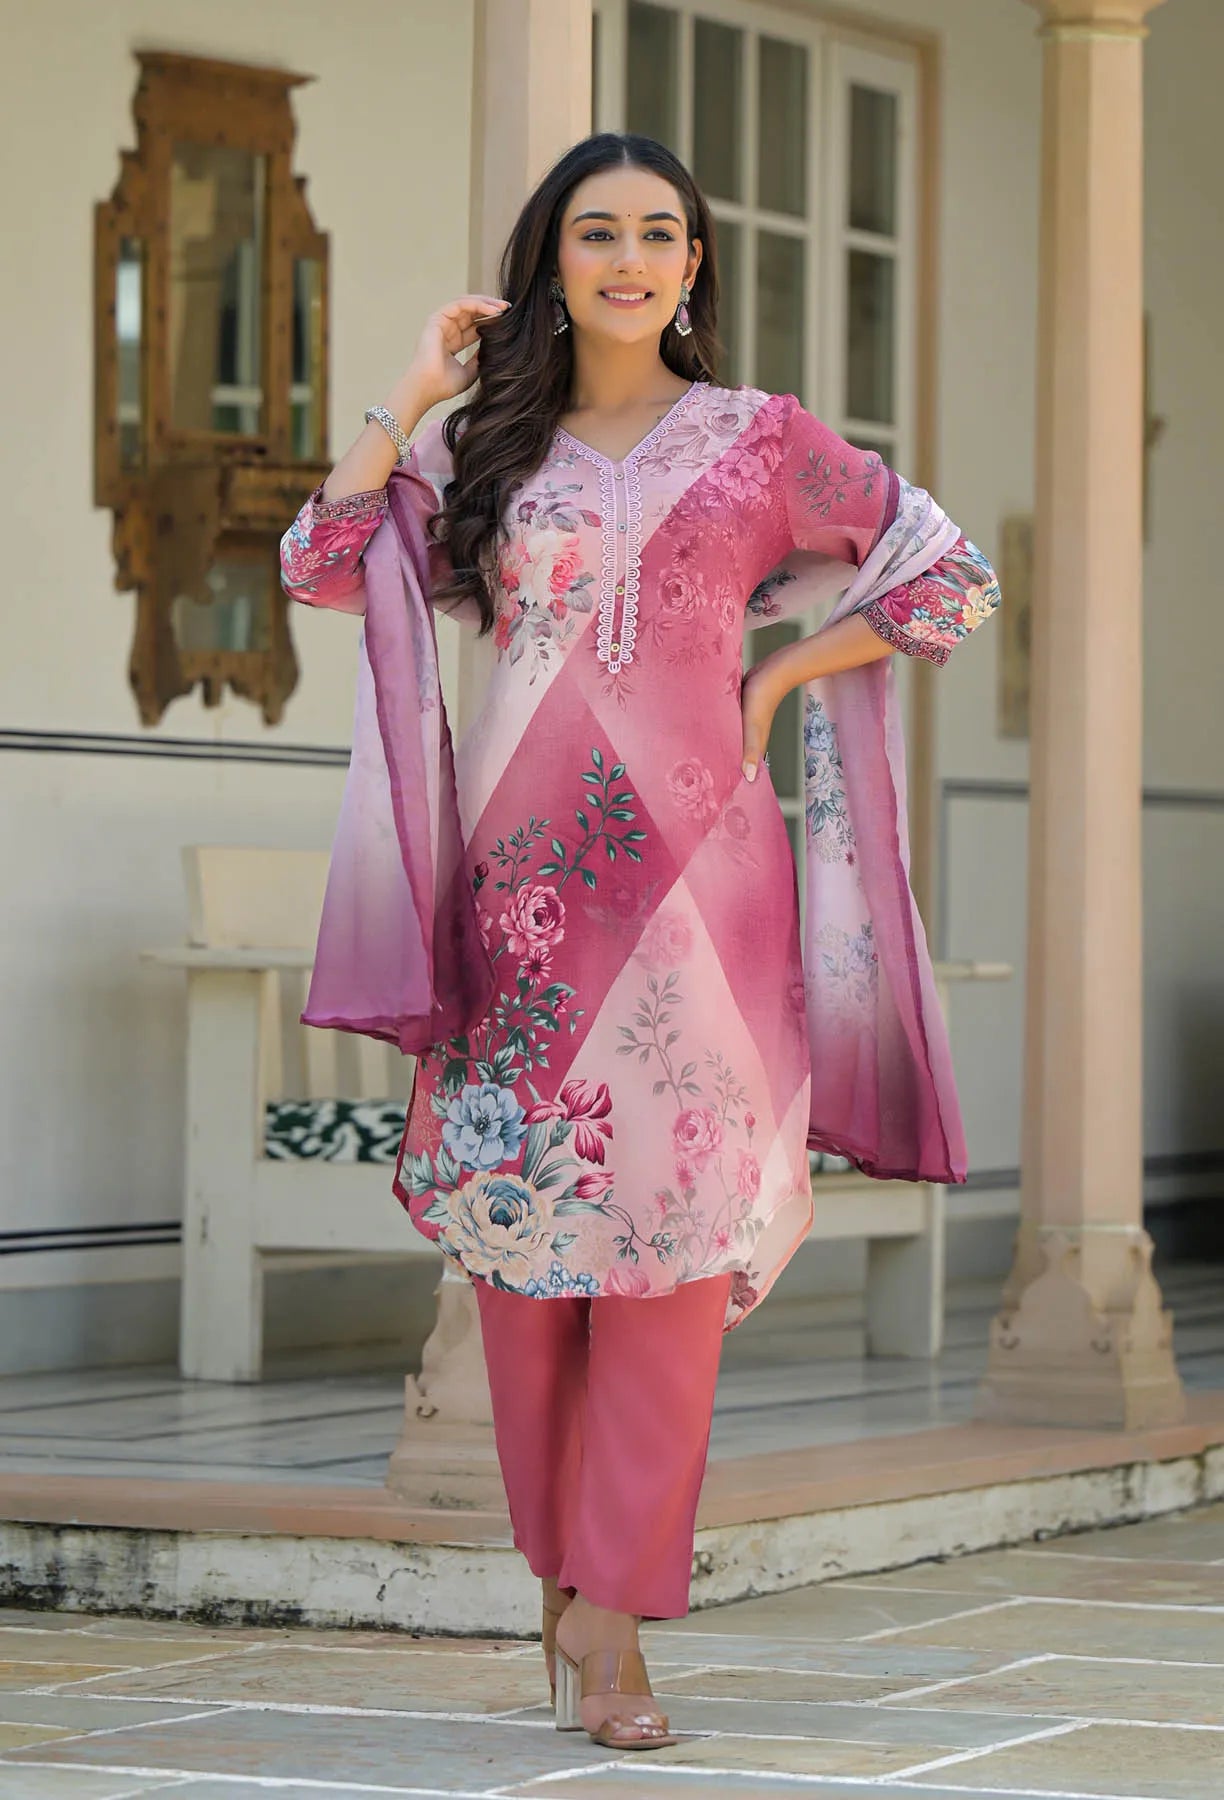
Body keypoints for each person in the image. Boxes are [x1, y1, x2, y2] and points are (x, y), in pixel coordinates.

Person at [280, 132, 999, 1752]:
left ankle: (615, 1630)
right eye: (594, 234)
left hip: (703, 907)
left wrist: (769, 679)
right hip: (523, 904)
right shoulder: (491, 450)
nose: (628, 258)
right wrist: (411, 385)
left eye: (658, 233)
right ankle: (563, 1590)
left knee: (673, 1264)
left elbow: (950, 580)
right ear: (552, 263)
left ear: (693, 264)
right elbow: (326, 564)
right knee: (529, 1271)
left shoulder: (764, 444)